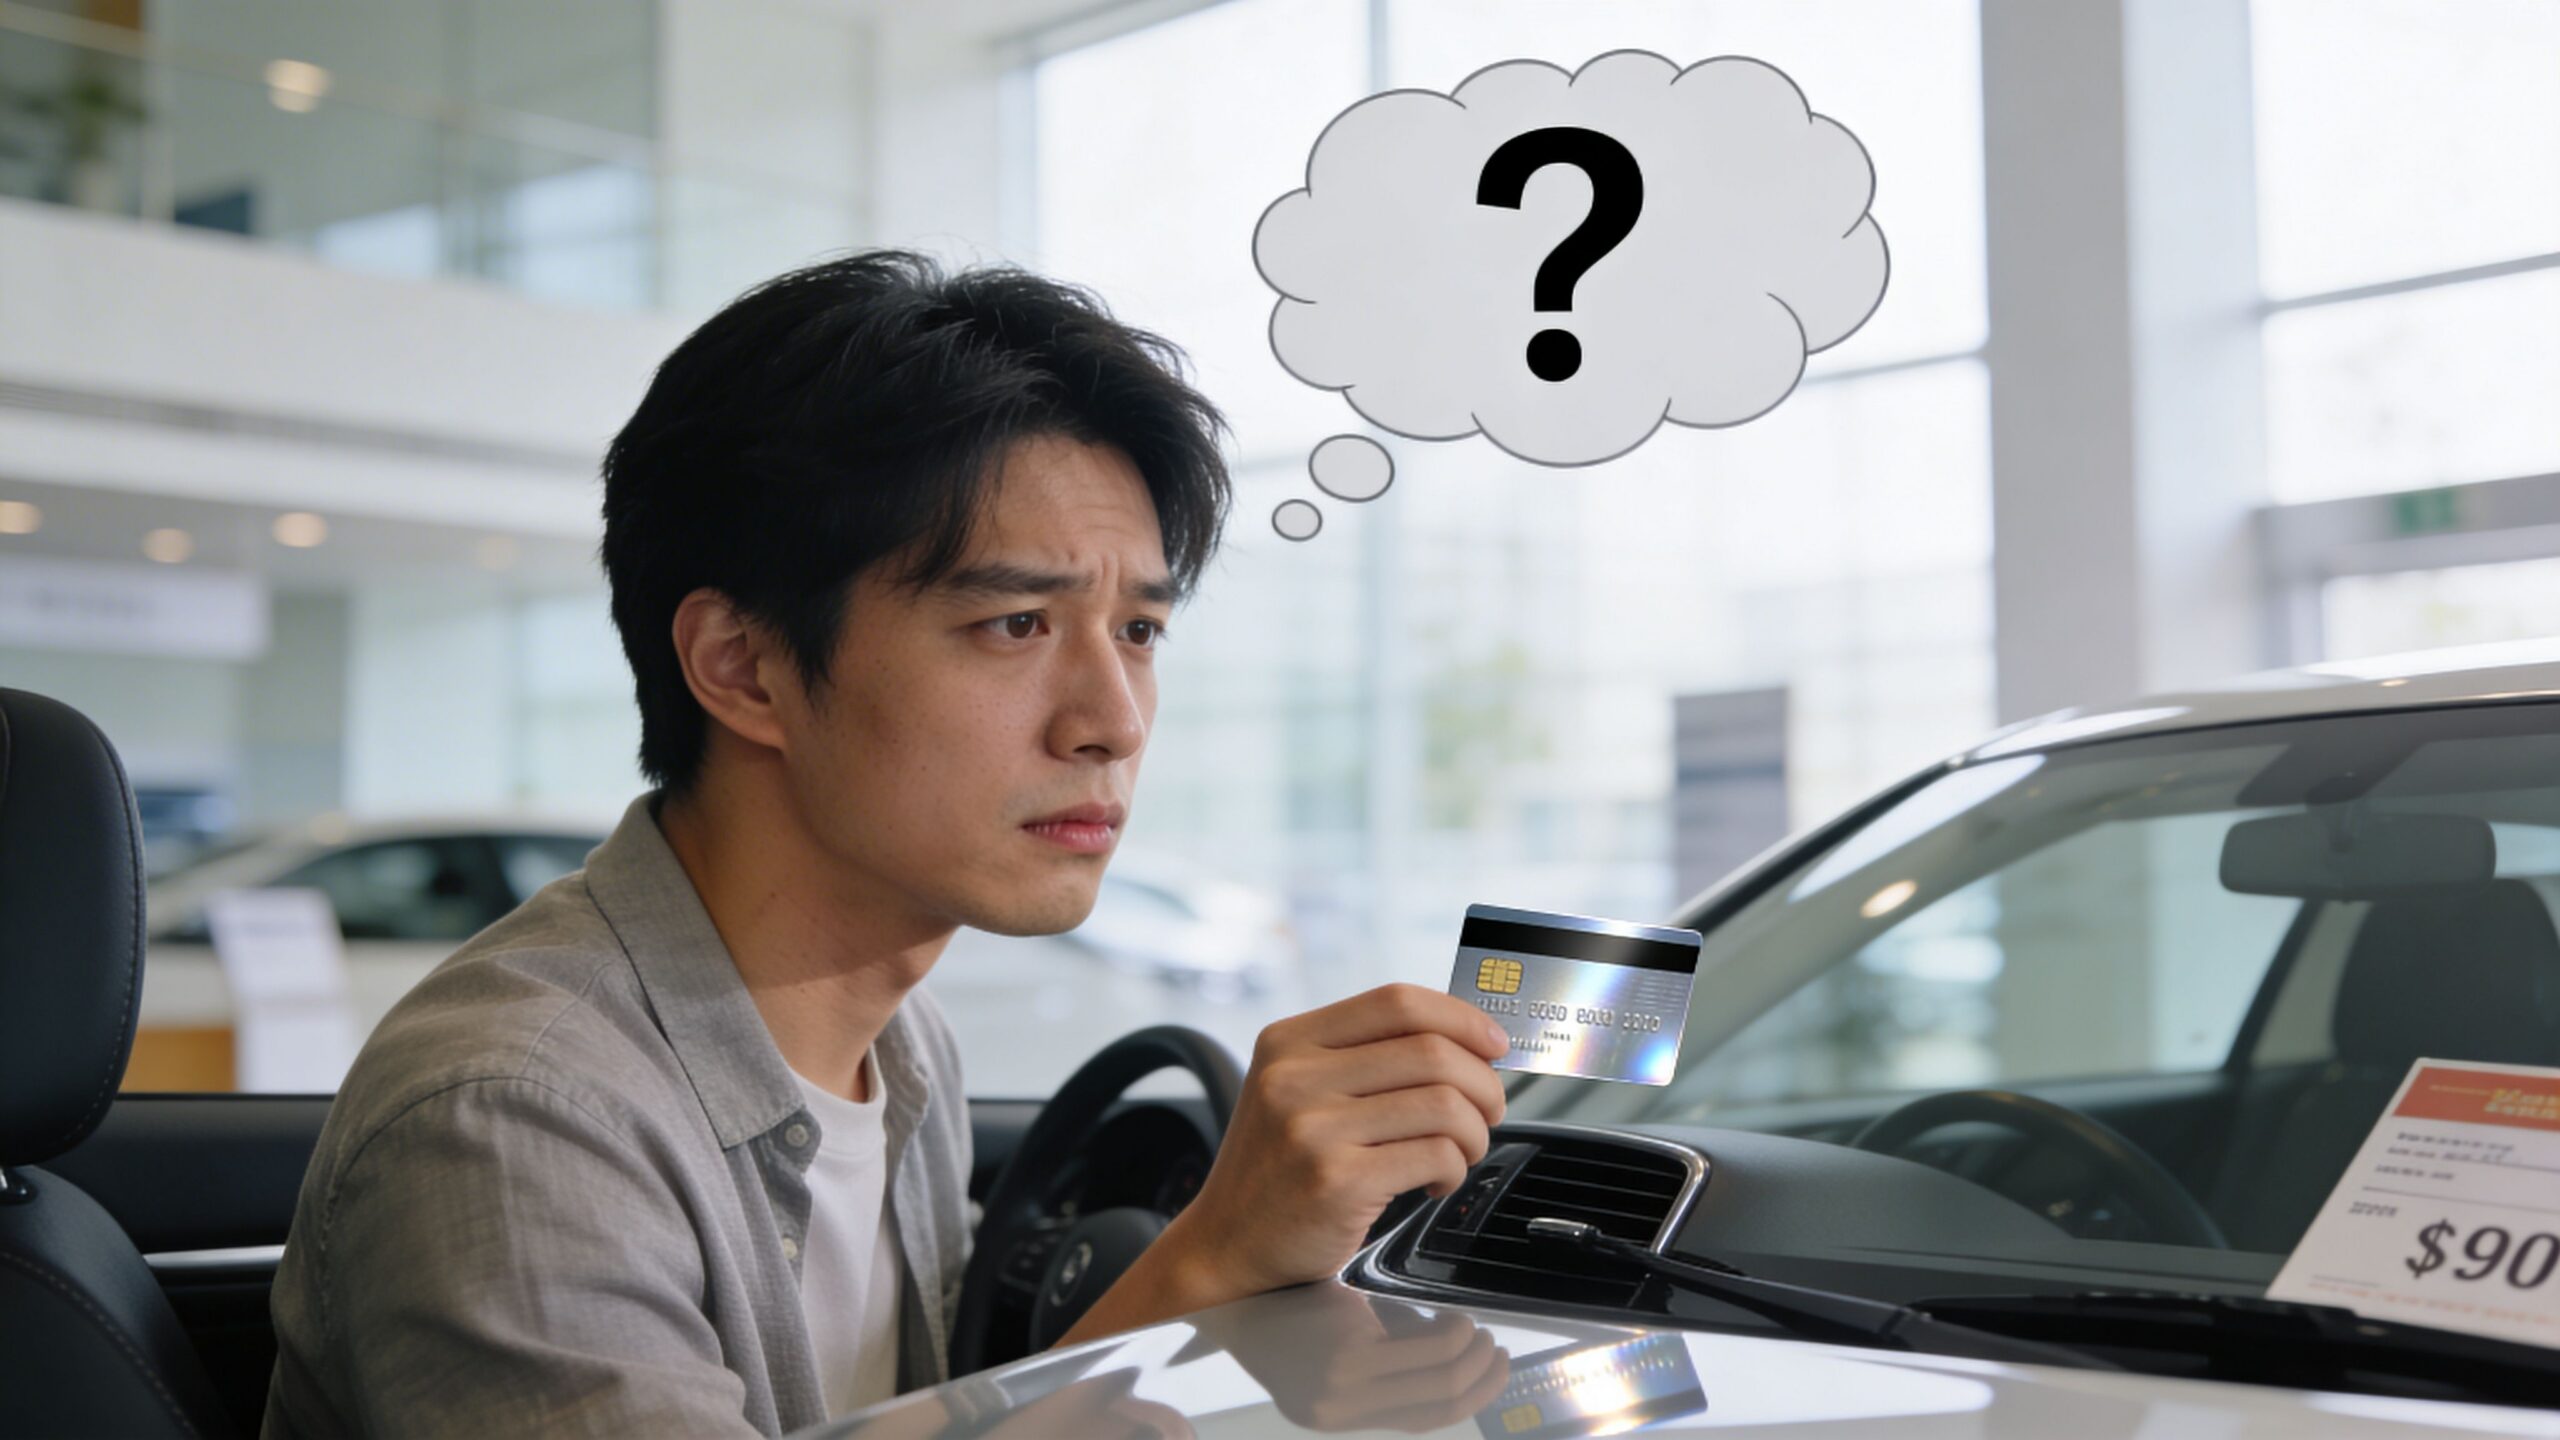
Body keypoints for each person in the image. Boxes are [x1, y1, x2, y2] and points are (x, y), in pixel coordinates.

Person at [261, 249, 1509, 1437]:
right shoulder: (517, 1116)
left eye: (1137, 631)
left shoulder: (901, 1047)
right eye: (1018, 624)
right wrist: (1218, 1251)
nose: (1112, 722)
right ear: (741, 668)